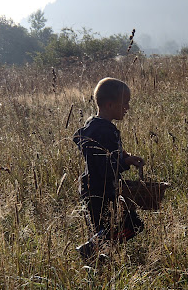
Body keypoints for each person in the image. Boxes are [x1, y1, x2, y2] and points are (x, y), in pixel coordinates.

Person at [73, 77, 145, 261]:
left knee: (104, 230)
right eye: (125, 103)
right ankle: (90, 250)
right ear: (110, 104)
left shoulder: (93, 125)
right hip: (102, 191)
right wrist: (124, 162)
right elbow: (106, 166)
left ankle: (96, 255)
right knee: (133, 225)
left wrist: (123, 155)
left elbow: (104, 157)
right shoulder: (106, 131)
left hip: (92, 189)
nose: (127, 108)